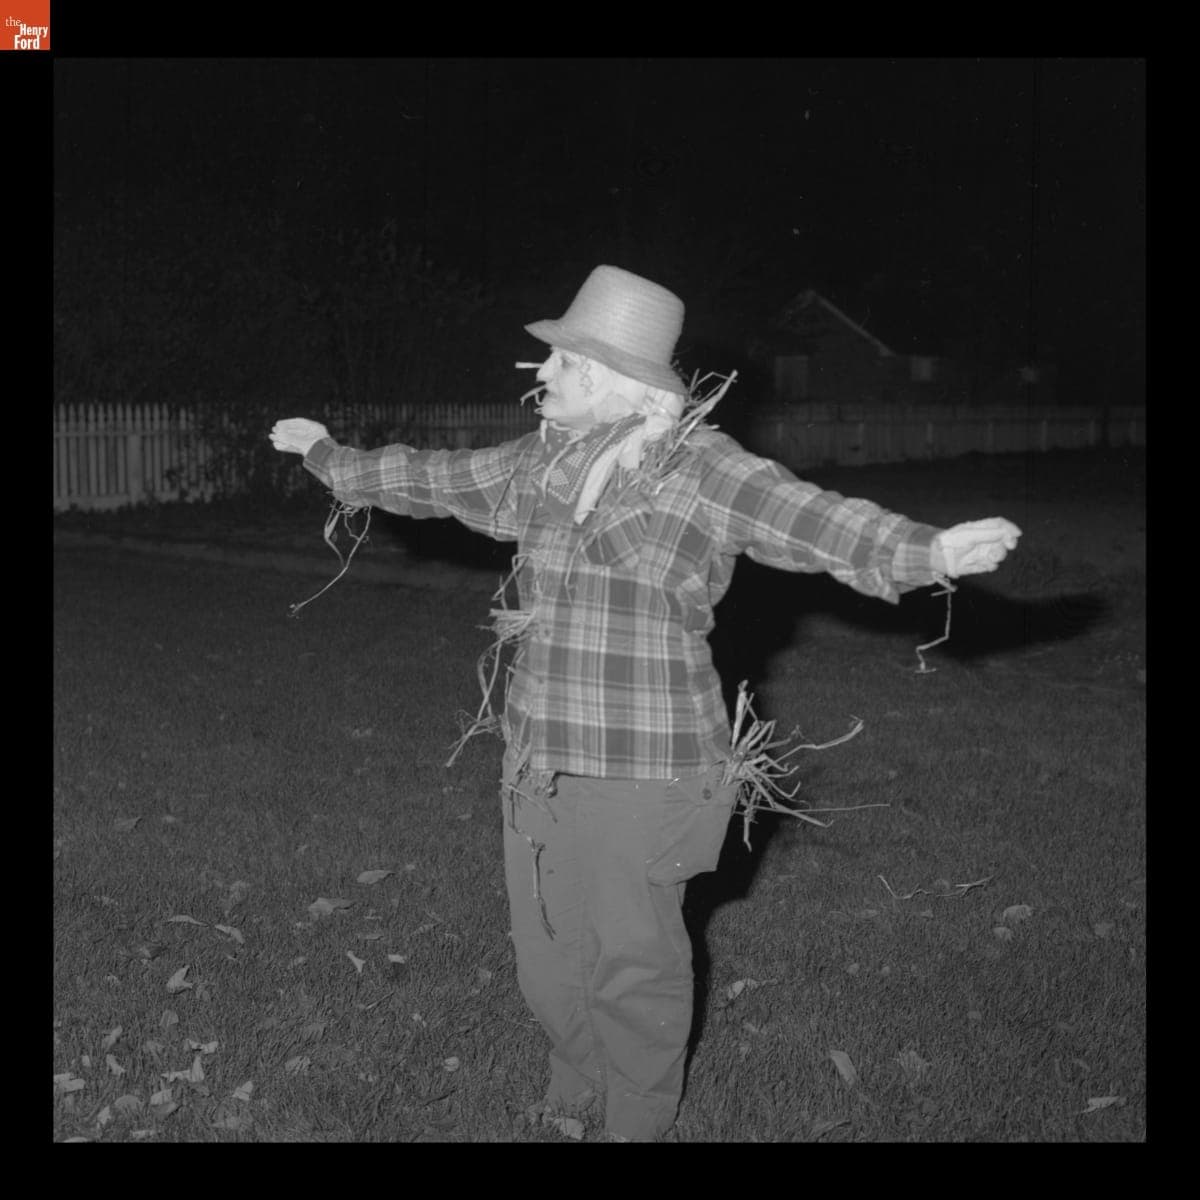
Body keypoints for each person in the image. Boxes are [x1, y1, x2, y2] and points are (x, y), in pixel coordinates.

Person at [270, 265, 1021, 1142]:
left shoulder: (696, 467)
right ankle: (575, 1083)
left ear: (608, 378)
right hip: (538, 756)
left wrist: (924, 552)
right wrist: (330, 458)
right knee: (548, 951)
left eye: (561, 362)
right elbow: (433, 479)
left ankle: (634, 1119)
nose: (542, 375)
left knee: (631, 962)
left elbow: (801, 517)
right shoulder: (542, 464)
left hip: (647, 766)